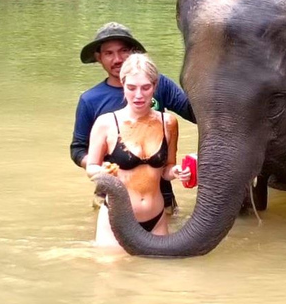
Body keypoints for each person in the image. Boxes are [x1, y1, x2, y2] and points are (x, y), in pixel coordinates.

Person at [71, 22, 195, 212]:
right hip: (112, 197)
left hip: (160, 198)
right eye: (109, 53)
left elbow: (195, 113)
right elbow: (78, 149)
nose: (117, 59)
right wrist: (102, 167)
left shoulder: (161, 86)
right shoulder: (90, 100)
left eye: (123, 51)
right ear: (98, 57)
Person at [87, 54, 191, 247]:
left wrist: (176, 172)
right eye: (132, 88)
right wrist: (102, 171)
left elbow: (167, 169)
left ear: (155, 86)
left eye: (145, 87)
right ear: (123, 84)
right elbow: (91, 167)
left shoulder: (168, 123)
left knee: (159, 274)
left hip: (157, 218)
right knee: (112, 273)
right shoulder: (106, 123)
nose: (138, 95)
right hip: (117, 219)